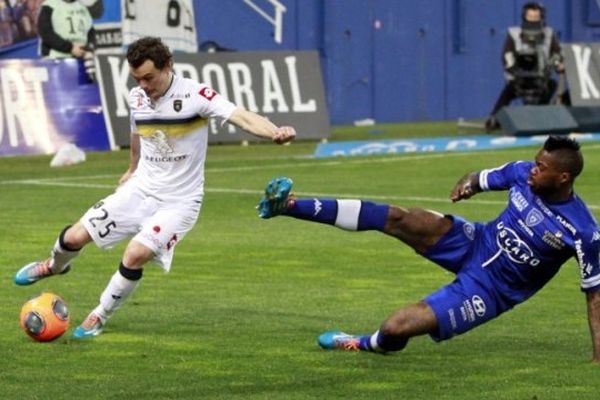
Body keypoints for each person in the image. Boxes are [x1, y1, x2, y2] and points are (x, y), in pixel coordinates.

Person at [14, 36, 296, 339]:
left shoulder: (196, 95)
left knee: (134, 255)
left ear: (168, 66)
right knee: (73, 237)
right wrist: (132, 167)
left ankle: (100, 314)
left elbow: (241, 116)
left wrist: (274, 132)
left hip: (179, 202)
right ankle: (53, 266)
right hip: (140, 190)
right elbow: (138, 131)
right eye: (137, 79)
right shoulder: (138, 97)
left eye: (149, 77)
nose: (144, 85)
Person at [257, 136, 600, 362]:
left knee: (395, 328)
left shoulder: (582, 231)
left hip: (490, 290)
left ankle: (362, 342)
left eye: (541, 168)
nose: (533, 170)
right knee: (398, 217)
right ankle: (287, 206)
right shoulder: (520, 173)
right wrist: (465, 186)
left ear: (563, 178)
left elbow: (594, 294)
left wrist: (598, 357)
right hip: (475, 242)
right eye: (535, 162)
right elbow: (477, 177)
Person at [485, 2, 568, 132]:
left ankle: (538, 118)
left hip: (542, 78)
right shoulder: (514, 33)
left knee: (552, 85)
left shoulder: (549, 34)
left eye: (536, 16)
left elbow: (557, 54)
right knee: (509, 91)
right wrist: (515, 70)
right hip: (519, 78)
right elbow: (507, 55)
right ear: (525, 16)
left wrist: (557, 65)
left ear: (541, 17)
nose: (533, 19)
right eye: (530, 16)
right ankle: (494, 119)